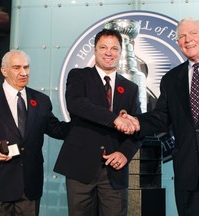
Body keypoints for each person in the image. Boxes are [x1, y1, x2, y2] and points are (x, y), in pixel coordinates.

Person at [121, 17, 199, 216]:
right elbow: (162, 116)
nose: (188, 40)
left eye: (193, 33)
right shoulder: (172, 79)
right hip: (188, 174)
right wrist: (136, 122)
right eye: (182, 37)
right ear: (178, 43)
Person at [0, 50, 69, 216]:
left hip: (30, 187)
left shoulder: (41, 100)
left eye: (26, 67)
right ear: (4, 71)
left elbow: (55, 128)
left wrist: (83, 122)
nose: (24, 72)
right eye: (17, 67)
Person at [54, 29, 141, 216]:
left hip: (114, 171)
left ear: (121, 52)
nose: (108, 52)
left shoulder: (131, 88)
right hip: (80, 168)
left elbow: (137, 129)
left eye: (114, 48)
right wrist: (114, 118)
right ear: (95, 50)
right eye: (103, 47)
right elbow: (77, 104)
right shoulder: (79, 76)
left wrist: (125, 153)